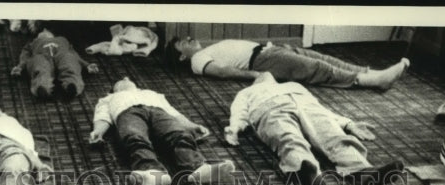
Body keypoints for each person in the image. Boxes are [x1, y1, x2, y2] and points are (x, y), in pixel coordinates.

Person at [225, 72, 403, 185]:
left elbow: (323, 111)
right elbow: (239, 111)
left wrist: (348, 123)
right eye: (260, 75)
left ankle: (363, 172)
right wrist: (234, 128)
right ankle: (307, 173)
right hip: (269, 109)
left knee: (332, 134)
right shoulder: (247, 92)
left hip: (305, 104)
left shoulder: (294, 85)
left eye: (268, 73)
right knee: (288, 138)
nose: (264, 75)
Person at [90, 78, 234, 185]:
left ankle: (197, 168)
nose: (125, 78)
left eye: (128, 78)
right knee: (134, 137)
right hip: (127, 113)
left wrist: (190, 125)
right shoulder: (108, 99)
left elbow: (173, 111)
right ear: (114, 89)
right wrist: (98, 131)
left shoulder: (152, 93)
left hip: (158, 112)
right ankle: (152, 171)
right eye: (120, 80)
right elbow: (102, 116)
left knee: (178, 134)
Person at [168, 37, 409, 90]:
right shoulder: (197, 60)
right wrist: (254, 75)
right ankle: (370, 81)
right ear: (181, 56)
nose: (188, 38)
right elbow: (220, 72)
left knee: (321, 58)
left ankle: (373, 74)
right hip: (261, 60)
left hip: (268, 50)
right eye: (182, 43)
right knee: (316, 68)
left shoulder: (205, 49)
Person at [11, 29, 99, 99]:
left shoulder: (62, 39)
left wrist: (86, 65)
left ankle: (71, 86)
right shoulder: (34, 43)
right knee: (39, 66)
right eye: (41, 33)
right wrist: (20, 66)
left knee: (69, 62)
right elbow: (25, 55)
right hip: (42, 55)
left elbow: (73, 53)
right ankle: (42, 87)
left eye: (46, 31)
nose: (44, 32)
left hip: (62, 54)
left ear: (53, 35)